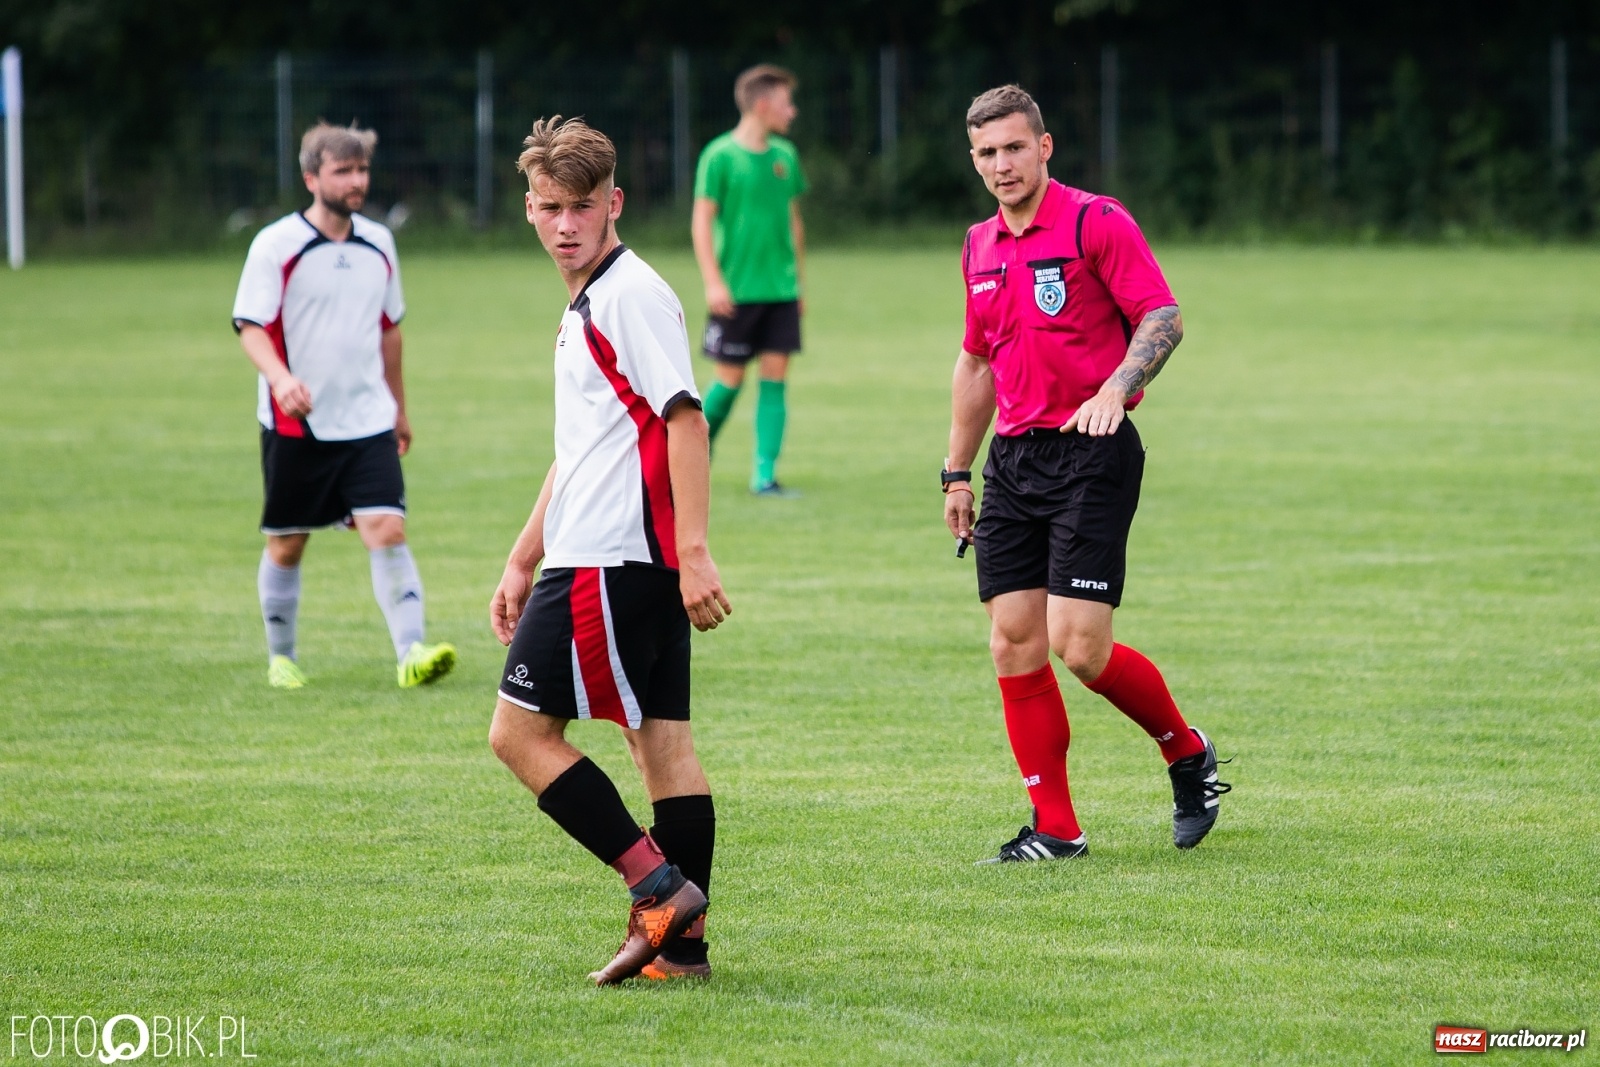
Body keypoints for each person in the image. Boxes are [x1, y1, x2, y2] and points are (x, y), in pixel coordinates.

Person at [944, 86, 1231, 862]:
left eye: (1013, 147)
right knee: (1012, 641)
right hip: (1014, 457)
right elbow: (976, 361)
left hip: (1092, 451)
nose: (1002, 164)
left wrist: (1114, 389)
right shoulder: (977, 246)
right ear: (974, 162)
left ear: (1044, 146)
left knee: (1081, 647)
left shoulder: (1094, 220)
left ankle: (1186, 751)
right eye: (986, 153)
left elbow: (1162, 317)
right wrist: (956, 472)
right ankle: (1056, 827)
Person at [487, 116, 732, 985]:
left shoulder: (627, 294)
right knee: (660, 742)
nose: (565, 225)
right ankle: (686, 952)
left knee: (518, 734)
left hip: (610, 559)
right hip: (617, 557)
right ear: (528, 208)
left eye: (582, 207)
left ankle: (659, 891)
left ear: (614, 203)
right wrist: (522, 555)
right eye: (550, 207)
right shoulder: (592, 299)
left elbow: (684, 417)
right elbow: (587, 444)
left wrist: (695, 549)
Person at [232, 122, 456, 691]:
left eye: (362, 171)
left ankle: (411, 653)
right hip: (298, 424)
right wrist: (281, 380)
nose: (357, 181)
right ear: (312, 178)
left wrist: (399, 408)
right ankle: (281, 657)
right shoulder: (276, 245)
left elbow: (390, 332)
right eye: (343, 171)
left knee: (387, 528)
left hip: (368, 419)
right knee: (288, 540)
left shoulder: (379, 242)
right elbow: (251, 326)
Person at [691, 63, 807, 495]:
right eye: (785, 103)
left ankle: (765, 475)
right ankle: (694, 450)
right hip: (736, 291)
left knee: (775, 377)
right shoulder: (719, 156)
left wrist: (799, 285)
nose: (791, 112)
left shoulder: (785, 157)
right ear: (762, 105)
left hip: (780, 290)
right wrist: (713, 281)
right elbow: (702, 223)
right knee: (729, 379)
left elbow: (794, 222)